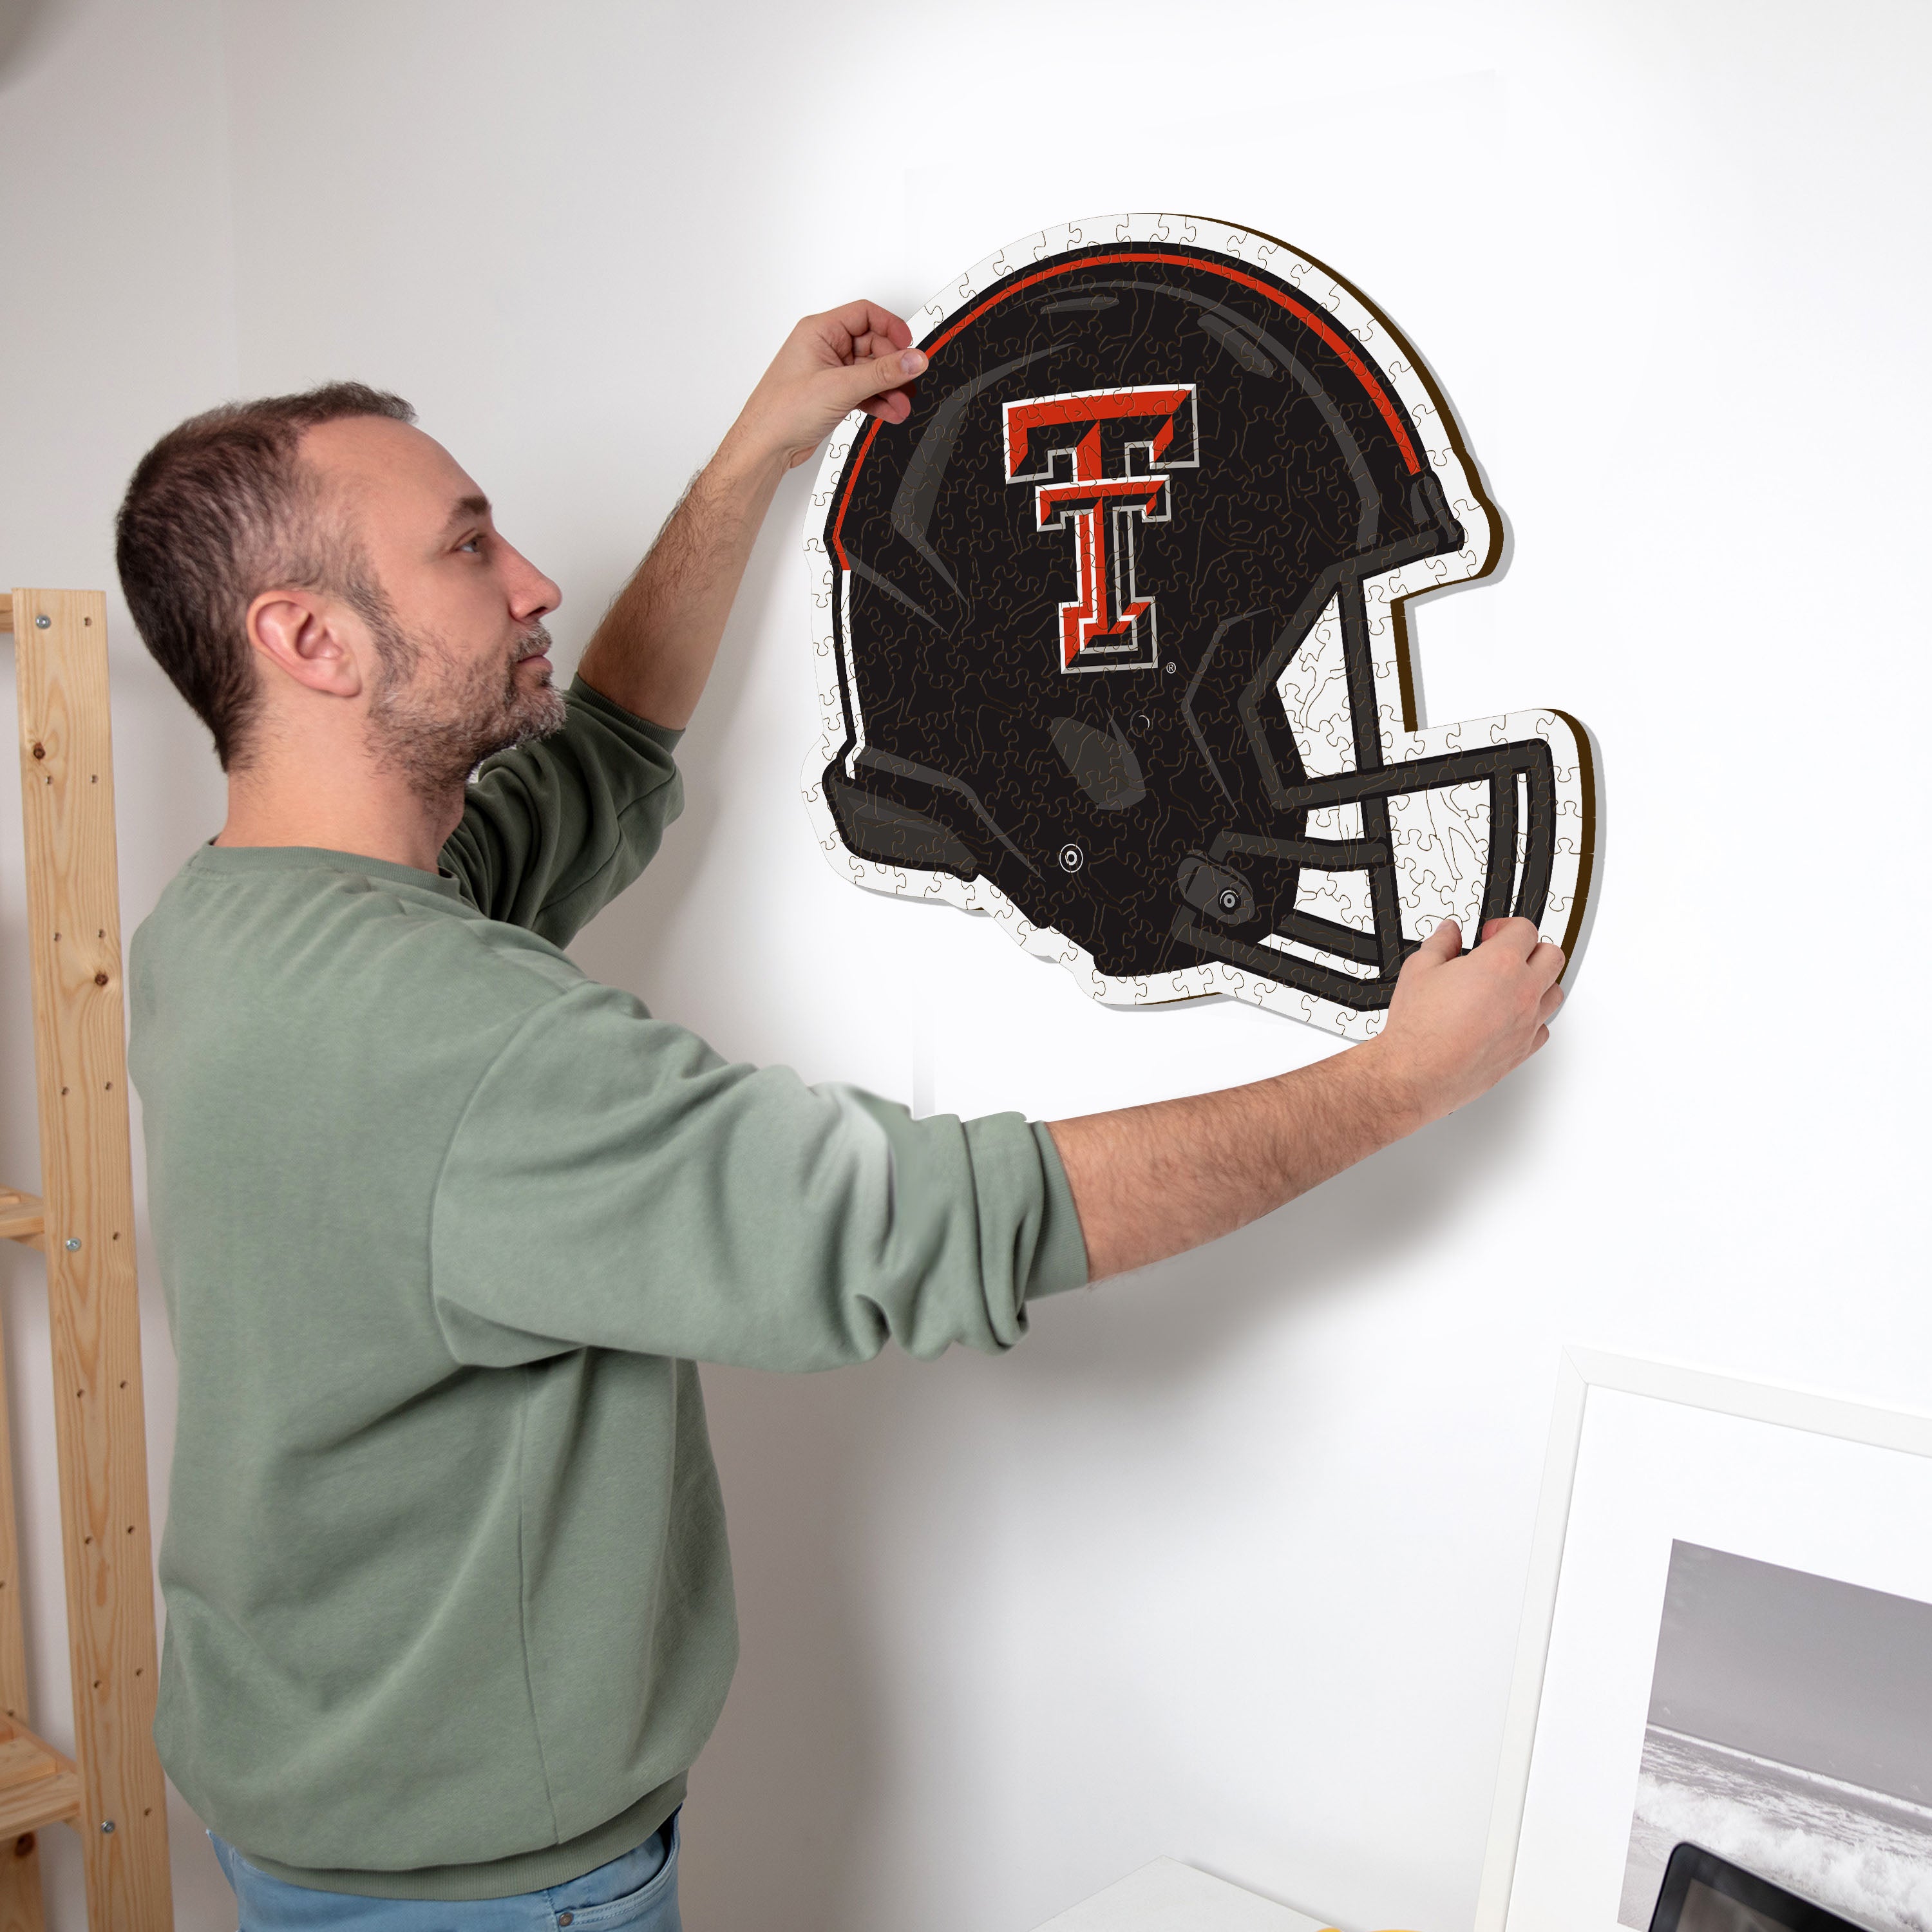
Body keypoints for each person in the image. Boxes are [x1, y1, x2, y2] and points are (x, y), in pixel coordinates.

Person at [115, 299, 1564, 1931]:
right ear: (308, 640)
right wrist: (1395, 1081)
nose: (533, 581)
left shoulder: (228, 930)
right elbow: (938, 1223)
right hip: (487, 1895)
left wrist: (759, 450)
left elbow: (595, 751)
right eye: (467, 551)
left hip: (321, 1815)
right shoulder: (448, 1039)